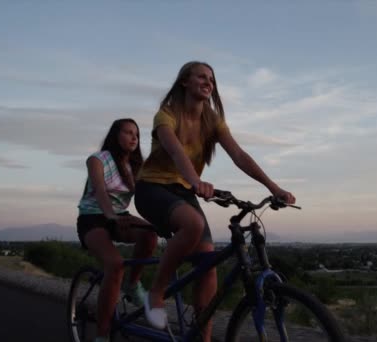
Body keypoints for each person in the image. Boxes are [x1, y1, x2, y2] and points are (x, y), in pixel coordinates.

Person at [134, 61, 296, 340]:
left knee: (208, 268)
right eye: (201, 76)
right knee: (193, 224)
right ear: (185, 81)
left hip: (184, 192)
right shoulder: (167, 115)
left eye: (212, 79)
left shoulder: (212, 120)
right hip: (152, 188)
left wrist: (274, 187)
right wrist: (196, 181)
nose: (208, 82)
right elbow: (175, 152)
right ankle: (156, 293)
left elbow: (239, 155)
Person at [76, 118, 158, 342]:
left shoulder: (136, 166)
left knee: (151, 234)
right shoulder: (98, 160)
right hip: (93, 217)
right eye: (128, 132)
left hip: (120, 217)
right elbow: (101, 190)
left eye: (137, 134)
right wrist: (110, 215)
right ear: (116, 134)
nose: (134, 138)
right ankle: (102, 335)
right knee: (115, 264)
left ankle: (132, 285)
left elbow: (151, 193)